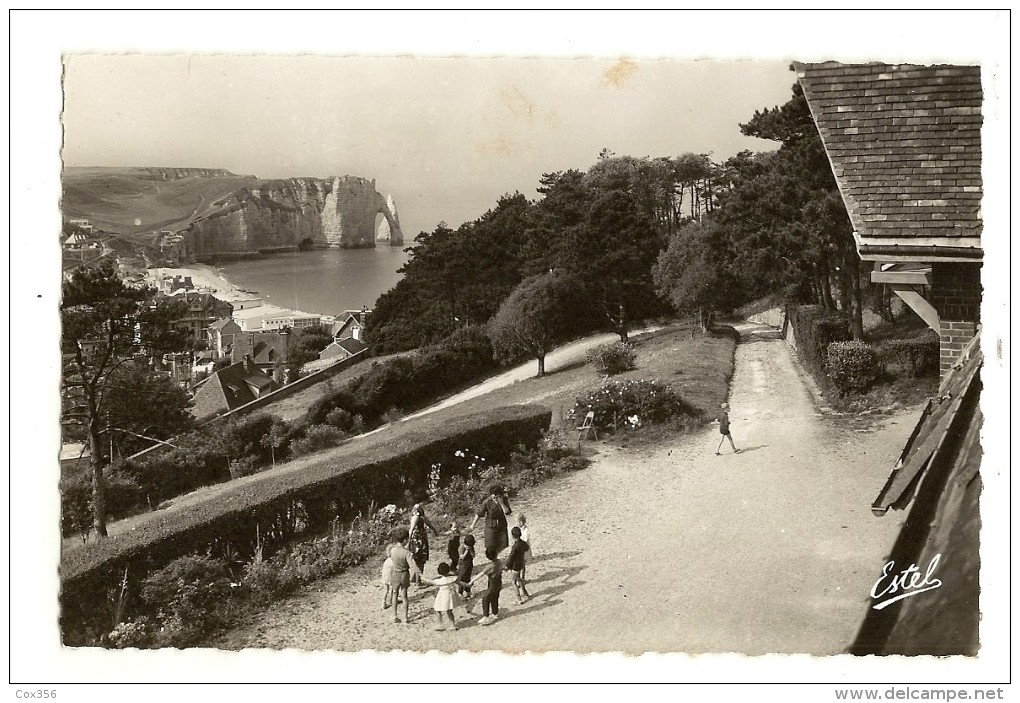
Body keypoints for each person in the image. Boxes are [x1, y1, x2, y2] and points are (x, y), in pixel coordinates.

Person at [421, 562, 471, 631]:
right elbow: (460, 583)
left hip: (442, 596)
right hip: (451, 595)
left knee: (437, 609)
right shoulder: (452, 578)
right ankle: (453, 625)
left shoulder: (440, 581)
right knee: (449, 611)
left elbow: (430, 581)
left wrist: (423, 578)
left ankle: (440, 624)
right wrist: (467, 585)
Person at [387, 527, 420, 624]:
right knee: (404, 596)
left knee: (394, 594)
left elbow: (391, 558)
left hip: (395, 573)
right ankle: (405, 617)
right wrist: (419, 573)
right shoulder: (407, 553)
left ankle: (394, 615)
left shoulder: (392, 551)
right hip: (404, 574)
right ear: (405, 540)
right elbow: (412, 565)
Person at [469, 484, 512, 556]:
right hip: (490, 524)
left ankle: (496, 555)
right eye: (493, 495)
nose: (494, 497)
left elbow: (507, 512)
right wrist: (472, 525)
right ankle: (493, 557)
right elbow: (479, 514)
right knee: (490, 545)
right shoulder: (487, 502)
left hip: (502, 524)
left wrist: (501, 503)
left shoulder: (504, 499)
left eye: (497, 495)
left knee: (503, 544)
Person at [408, 503, 440, 587]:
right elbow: (411, 529)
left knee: (419, 559)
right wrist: (408, 541)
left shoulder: (420, 516)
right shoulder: (416, 516)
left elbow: (429, 523)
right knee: (420, 560)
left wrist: (435, 530)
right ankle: (418, 582)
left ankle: (414, 578)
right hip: (418, 541)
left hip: (420, 539)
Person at [470, 547, 504, 625]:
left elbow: (481, 574)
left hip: (492, 585)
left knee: (485, 599)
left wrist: (472, 581)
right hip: (499, 583)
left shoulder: (490, 566)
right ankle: (495, 613)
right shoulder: (499, 562)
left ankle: (486, 617)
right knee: (495, 598)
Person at [505, 526, 531, 604]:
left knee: (513, 582)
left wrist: (507, 566)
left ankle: (519, 599)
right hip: (520, 564)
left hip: (515, 566)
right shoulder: (523, 543)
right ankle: (525, 592)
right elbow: (527, 548)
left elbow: (511, 557)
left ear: (512, 536)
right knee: (518, 578)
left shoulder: (515, 547)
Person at [457, 534, 476, 613]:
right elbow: (461, 557)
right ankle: (460, 592)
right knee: (462, 578)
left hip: (469, 564)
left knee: (468, 577)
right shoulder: (461, 547)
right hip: (463, 565)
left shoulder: (471, 547)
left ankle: (468, 591)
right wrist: (467, 551)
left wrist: (470, 550)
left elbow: (473, 555)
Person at [516, 514, 531, 581]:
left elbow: (525, 539)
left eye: (517, 522)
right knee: (519, 564)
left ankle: (522, 578)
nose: (516, 524)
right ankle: (519, 578)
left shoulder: (526, 530)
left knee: (522, 564)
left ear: (521, 522)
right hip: (519, 548)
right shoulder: (519, 529)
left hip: (524, 549)